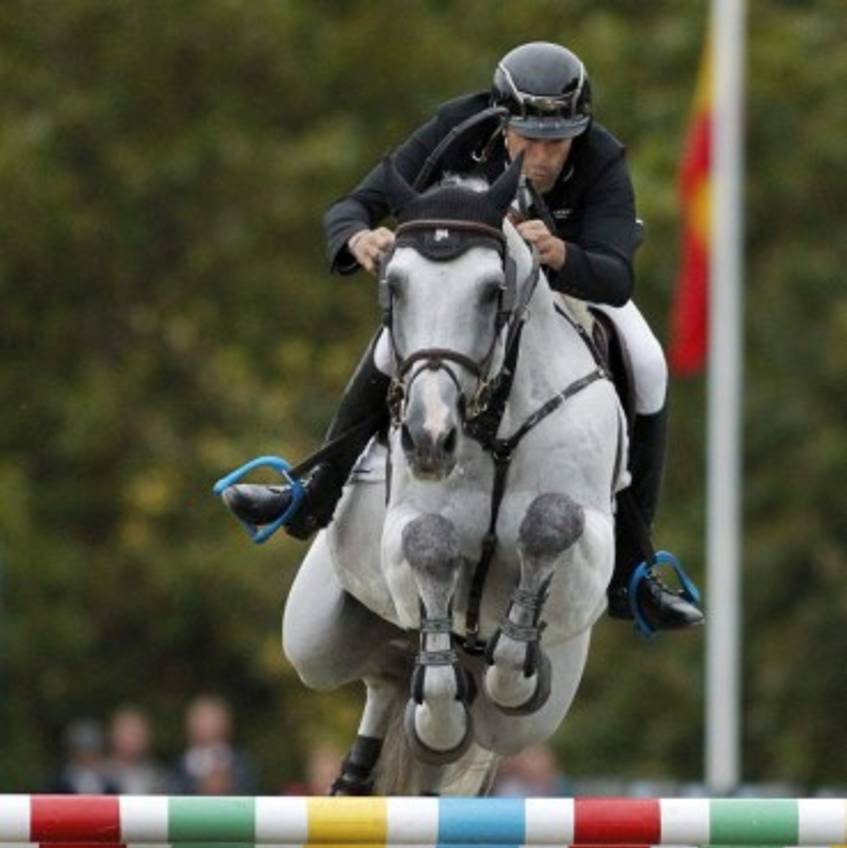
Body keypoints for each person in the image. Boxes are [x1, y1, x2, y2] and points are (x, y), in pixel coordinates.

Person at [225, 41, 702, 631]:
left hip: (567, 292)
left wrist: (562, 255)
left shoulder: (601, 158)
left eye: (558, 141)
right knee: (390, 346)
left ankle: (635, 565)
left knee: (649, 362)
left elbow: (615, 273)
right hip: (467, 294)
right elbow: (355, 203)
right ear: (503, 124)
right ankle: (313, 490)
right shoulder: (457, 128)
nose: (543, 156)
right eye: (528, 138)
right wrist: (357, 237)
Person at [171, 694, 256, 795]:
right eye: (201, 718)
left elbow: (252, 794)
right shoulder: (177, 768)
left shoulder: (242, 765)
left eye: (213, 720)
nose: (207, 726)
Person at [105, 706, 168, 795]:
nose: (131, 740)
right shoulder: (102, 775)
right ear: (113, 735)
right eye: (126, 733)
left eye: (136, 734)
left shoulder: (159, 776)